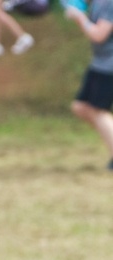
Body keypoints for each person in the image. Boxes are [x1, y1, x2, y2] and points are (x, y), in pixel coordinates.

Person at [66, 0, 113, 167]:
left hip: (109, 66)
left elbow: (99, 35)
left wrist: (79, 17)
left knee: (97, 110)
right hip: (99, 63)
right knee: (81, 106)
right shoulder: (98, 3)